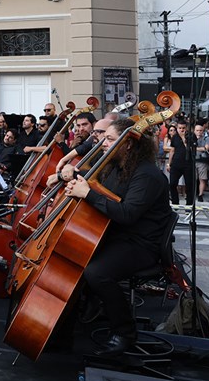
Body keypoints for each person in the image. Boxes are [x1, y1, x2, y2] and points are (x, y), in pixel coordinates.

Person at [63, 118, 173, 357]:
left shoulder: (147, 175)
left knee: (96, 272)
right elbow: (96, 185)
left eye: (110, 139)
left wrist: (87, 194)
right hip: (118, 236)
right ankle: (65, 328)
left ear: (128, 144)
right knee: (74, 256)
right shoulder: (116, 167)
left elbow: (127, 214)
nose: (103, 143)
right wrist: (71, 176)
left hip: (141, 244)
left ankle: (124, 332)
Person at [163, 119, 190, 204]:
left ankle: (189, 204)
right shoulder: (174, 137)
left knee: (189, 185)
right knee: (172, 184)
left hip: (188, 164)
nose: (181, 130)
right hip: (176, 163)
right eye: (180, 128)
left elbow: (189, 148)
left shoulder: (190, 136)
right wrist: (169, 163)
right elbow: (172, 150)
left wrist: (184, 138)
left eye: (183, 128)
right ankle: (175, 202)